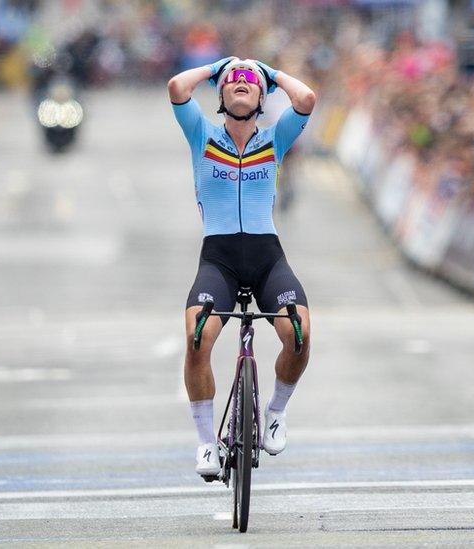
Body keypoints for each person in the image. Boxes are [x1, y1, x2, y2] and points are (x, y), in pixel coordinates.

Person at [167, 57, 316, 478]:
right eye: (233, 80)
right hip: (219, 260)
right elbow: (178, 86)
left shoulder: (275, 140)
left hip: (268, 259)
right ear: (220, 92)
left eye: (250, 81)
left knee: (299, 335)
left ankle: (274, 412)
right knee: (197, 338)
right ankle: (204, 443)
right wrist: (218, 66)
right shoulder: (202, 135)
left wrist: (269, 71)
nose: (241, 81)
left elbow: (305, 98)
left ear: (263, 94)